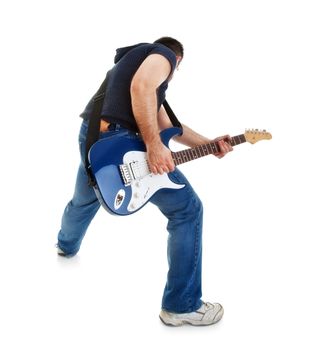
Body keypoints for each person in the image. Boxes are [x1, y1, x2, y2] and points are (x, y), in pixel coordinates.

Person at [57, 37, 233, 326]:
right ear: (177, 62)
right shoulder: (163, 54)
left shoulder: (128, 68)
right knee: (187, 210)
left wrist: (209, 144)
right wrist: (153, 146)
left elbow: (167, 126)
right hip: (119, 143)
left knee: (87, 196)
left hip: (95, 140)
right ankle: (182, 305)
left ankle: (65, 245)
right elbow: (141, 88)